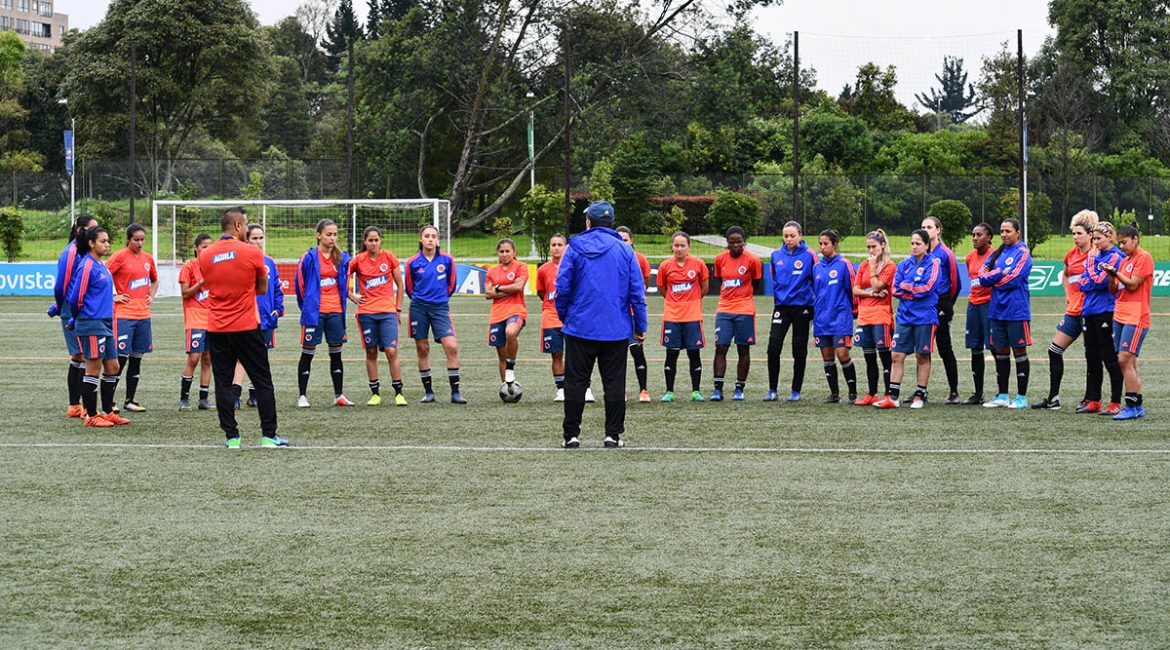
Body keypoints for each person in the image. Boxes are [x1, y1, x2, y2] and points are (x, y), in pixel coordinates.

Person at [554, 201, 648, 449]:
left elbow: (562, 288)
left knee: (575, 382)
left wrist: (565, 316)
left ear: (588, 222)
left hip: (579, 327)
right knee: (615, 383)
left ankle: (571, 436)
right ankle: (612, 435)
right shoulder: (625, 251)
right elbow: (637, 293)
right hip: (616, 329)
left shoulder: (573, 248)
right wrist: (640, 324)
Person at [199, 208, 287, 448]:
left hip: (217, 327)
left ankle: (232, 438)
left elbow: (210, 284)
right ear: (238, 226)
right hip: (247, 326)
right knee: (262, 380)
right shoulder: (251, 253)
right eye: (246, 224)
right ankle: (269, 435)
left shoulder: (205, 256)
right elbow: (261, 288)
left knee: (223, 382)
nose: (248, 229)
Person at [64, 226, 131, 427]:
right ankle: (91, 415)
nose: (107, 244)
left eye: (108, 241)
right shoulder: (86, 266)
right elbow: (76, 297)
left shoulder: (102, 266)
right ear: (91, 243)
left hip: (105, 323)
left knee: (113, 367)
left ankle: (108, 411)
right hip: (91, 323)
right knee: (92, 368)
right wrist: (76, 319)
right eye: (103, 241)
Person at [1033, 210, 1098, 410]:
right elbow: (1066, 275)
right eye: (1074, 234)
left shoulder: (1096, 254)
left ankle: (1090, 398)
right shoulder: (1071, 255)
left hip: (1090, 313)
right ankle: (1053, 399)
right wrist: (1068, 295)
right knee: (1054, 350)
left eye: (1079, 233)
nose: (1076, 237)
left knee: (1092, 356)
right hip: (1073, 311)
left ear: (1090, 235)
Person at [874, 229, 940, 409]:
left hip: (924, 318)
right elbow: (895, 289)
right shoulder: (904, 265)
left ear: (926, 245)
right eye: (912, 243)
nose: (914, 247)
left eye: (918, 244)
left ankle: (920, 394)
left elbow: (927, 288)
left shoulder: (933, 263)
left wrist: (908, 287)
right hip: (904, 317)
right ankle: (893, 397)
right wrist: (911, 289)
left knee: (922, 356)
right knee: (896, 355)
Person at [294, 219, 355, 408]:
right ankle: (302, 396)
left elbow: (346, 281)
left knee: (336, 354)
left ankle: (339, 395)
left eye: (335, 234)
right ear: (318, 235)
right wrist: (308, 307)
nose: (332, 238)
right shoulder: (309, 258)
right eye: (329, 234)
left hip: (336, 311)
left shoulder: (343, 258)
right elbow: (300, 286)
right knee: (308, 353)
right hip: (314, 313)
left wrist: (351, 295)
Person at [405, 225, 465, 404]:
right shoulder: (412, 262)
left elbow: (451, 285)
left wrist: (439, 299)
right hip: (418, 308)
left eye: (433, 236)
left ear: (437, 240)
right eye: (427, 236)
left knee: (451, 346)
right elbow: (409, 288)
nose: (430, 239)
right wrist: (421, 299)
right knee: (422, 349)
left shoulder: (447, 260)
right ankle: (429, 392)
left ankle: (455, 393)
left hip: (440, 308)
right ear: (420, 239)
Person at [979, 218, 1033, 409]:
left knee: (1019, 352)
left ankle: (1021, 397)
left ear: (1017, 232)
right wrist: (998, 274)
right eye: (1002, 231)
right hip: (996, 310)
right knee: (1000, 352)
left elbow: (1013, 279)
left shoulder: (1023, 253)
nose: (1004, 234)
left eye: (1008, 231)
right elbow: (981, 276)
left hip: (1017, 311)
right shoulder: (996, 253)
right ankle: (1002, 395)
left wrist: (995, 278)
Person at [350, 225, 407, 406]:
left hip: (387, 312)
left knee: (391, 351)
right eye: (370, 240)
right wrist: (351, 295)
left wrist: (397, 309)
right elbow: (342, 277)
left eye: (376, 240)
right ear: (364, 242)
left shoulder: (389, 257)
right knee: (371, 351)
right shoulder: (358, 260)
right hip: (366, 313)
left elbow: (400, 284)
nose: (373, 243)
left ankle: (398, 392)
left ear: (380, 241)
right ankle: (375, 393)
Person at [1101, 224, 1152, 420]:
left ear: (1135, 239)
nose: (1121, 246)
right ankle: (1137, 405)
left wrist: (1116, 273)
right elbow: (1115, 290)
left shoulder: (1144, 258)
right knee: (1128, 361)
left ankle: (1130, 405)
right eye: (1119, 243)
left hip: (1136, 315)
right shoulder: (1125, 261)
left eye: (1124, 242)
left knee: (1124, 359)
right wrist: (1110, 278)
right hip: (1120, 314)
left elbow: (1132, 285)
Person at [50, 214, 98, 419]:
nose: (96, 232)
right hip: (73, 310)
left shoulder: (85, 252)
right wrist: (61, 308)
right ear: (80, 231)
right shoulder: (71, 252)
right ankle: (78, 406)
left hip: (83, 309)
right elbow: (61, 285)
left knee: (83, 355)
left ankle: (77, 405)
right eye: (92, 228)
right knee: (81, 356)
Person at [106, 223, 158, 412]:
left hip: (143, 315)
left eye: (142, 239)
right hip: (124, 315)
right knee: (120, 359)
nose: (140, 243)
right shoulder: (120, 256)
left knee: (137, 358)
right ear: (128, 239)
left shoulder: (148, 259)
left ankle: (130, 400)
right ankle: (109, 401)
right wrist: (113, 296)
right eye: (136, 239)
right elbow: (102, 275)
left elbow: (154, 279)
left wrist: (151, 295)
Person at [765, 220, 817, 401]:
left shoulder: (810, 255)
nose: (788, 239)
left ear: (800, 235)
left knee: (799, 349)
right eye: (786, 236)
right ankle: (772, 390)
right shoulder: (775, 255)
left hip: (803, 307)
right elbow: (775, 278)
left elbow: (816, 278)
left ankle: (796, 391)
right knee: (773, 347)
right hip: (781, 307)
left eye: (792, 236)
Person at [1076, 222, 1124, 415]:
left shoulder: (1114, 256)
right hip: (1089, 310)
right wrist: (1092, 270)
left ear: (1110, 237)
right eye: (1093, 238)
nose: (1095, 242)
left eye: (1099, 238)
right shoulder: (1098, 257)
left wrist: (1090, 262)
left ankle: (1115, 402)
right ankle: (1094, 400)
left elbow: (1099, 281)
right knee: (1092, 358)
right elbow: (1082, 283)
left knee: (1109, 358)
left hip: (1106, 311)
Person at [710, 226, 763, 401]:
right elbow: (719, 280)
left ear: (744, 243)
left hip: (745, 310)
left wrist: (743, 297)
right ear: (727, 243)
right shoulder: (720, 259)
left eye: (738, 242)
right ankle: (718, 388)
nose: (735, 245)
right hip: (724, 309)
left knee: (743, 348)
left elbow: (756, 283)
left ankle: (739, 388)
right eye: (731, 242)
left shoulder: (752, 260)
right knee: (721, 347)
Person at [657, 231, 709, 402]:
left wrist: (691, 302)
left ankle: (696, 391)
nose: (679, 248)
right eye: (676, 245)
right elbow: (663, 290)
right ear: (672, 246)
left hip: (693, 316)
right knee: (671, 354)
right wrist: (675, 303)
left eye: (682, 245)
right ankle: (669, 391)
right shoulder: (665, 266)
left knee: (694, 354)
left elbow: (704, 288)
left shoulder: (698, 264)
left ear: (689, 246)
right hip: (672, 316)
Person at [812, 229, 858, 403]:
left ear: (834, 244)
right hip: (822, 319)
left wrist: (852, 311)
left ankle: (853, 393)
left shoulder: (844, 264)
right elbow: (816, 292)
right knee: (827, 356)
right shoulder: (816, 267)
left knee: (842, 354)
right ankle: (835, 394)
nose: (823, 247)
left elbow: (852, 289)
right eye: (821, 244)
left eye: (826, 244)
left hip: (840, 317)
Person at [851, 229, 895, 405]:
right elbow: (855, 290)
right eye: (868, 247)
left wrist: (872, 269)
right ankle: (871, 393)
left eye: (874, 246)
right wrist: (871, 295)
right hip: (864, 316)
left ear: (883, 246)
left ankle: (888, 394)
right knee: (869, 357)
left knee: (885, 357)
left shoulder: (889, 266)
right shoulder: (863, 265)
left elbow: (877, 286)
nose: (871, 250)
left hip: (881, 316)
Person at [242, 223, 284, 408]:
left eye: (261, 238)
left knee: (261, 356)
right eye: (254, 238)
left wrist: (278, 308)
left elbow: (276, 288)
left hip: (266, 318)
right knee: (240, 356)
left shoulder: (269, 262)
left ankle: (254, 394)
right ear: (246, 239)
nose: (258, 242)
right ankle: (234, 392)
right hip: (245, 316)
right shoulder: (241, 261)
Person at [921, 216, 961, 403]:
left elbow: (956, 283)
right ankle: (922, 391)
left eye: (929, 227)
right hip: (923, 304)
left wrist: (946, 304)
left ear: (938, 230)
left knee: (945, 348)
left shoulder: (945, 253)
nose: (926, 230)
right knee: (923, 348)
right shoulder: (921, 253)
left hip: (941, 303)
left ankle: (954, 392)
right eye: (923, 227)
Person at [485, 238, 529, 392]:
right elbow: (488, 294)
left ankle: (510, 368)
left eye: (507, 251)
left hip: (516, 309)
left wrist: (497, 288)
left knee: (510, 332)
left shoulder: (521, 267)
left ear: (514, 252)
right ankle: (507, 388)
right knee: (501, 355)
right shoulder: (492, 272)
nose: (504, 254)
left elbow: (519, 287)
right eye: (501, 251)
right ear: (497, 253)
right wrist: (505, 289)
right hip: (497, 314)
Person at [178, 234, 214, 411]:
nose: (208, 250)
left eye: (210, 246)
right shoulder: (189, 266)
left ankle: (203, 399)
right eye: (204, 246)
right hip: (195, 317)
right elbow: (185, 293)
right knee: (194, 357)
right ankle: (184, 399)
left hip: (212, 318)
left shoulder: (214, 266)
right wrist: (200, 282)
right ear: (196, 248)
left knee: (208, 359)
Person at [617, 226, 652, 402]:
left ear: (631, 241)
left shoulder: (640, 259)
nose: (622, 242)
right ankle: (620, 391)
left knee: (637, 352)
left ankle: (643, 390)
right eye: (619, 239)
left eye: (625, 239)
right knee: (617, 355)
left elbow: (643, 285)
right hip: (616, 314)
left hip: (632, 313)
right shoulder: (610, 258)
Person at [961, 223, 995, 405]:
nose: (974, 238)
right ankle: (978, 393)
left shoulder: (996, 256)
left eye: (979, 234)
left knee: (996, 348)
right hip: (973, 304)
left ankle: (1001, 392)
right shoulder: (969, 257)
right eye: (973, 234)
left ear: (989, 237)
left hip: (989, 305)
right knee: (975, 348)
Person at [536, 233, 569, 401]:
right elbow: (542, 293)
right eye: (553, 245)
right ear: (549, 247)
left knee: (577, 354)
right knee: (556, 354)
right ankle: (561, 389)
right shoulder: (543, 270)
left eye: (559, 245)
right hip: (550, 315)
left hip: (571, 317)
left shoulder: (573, 267)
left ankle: (585, 387)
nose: (556, 247)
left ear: (566, 247)